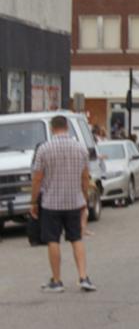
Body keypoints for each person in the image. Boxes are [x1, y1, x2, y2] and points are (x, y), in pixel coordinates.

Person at [29, 115, 97, 292]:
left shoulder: (44, 149)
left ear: (52, 128)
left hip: (51, 203)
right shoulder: (80, 148)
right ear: (67, 127)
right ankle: (83, 277)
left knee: (53, 240)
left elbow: (37, 178)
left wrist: (34, 201)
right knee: (76, 238)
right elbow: (85, 177)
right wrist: (84, 198)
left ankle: (57, 280)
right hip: (74, 201)